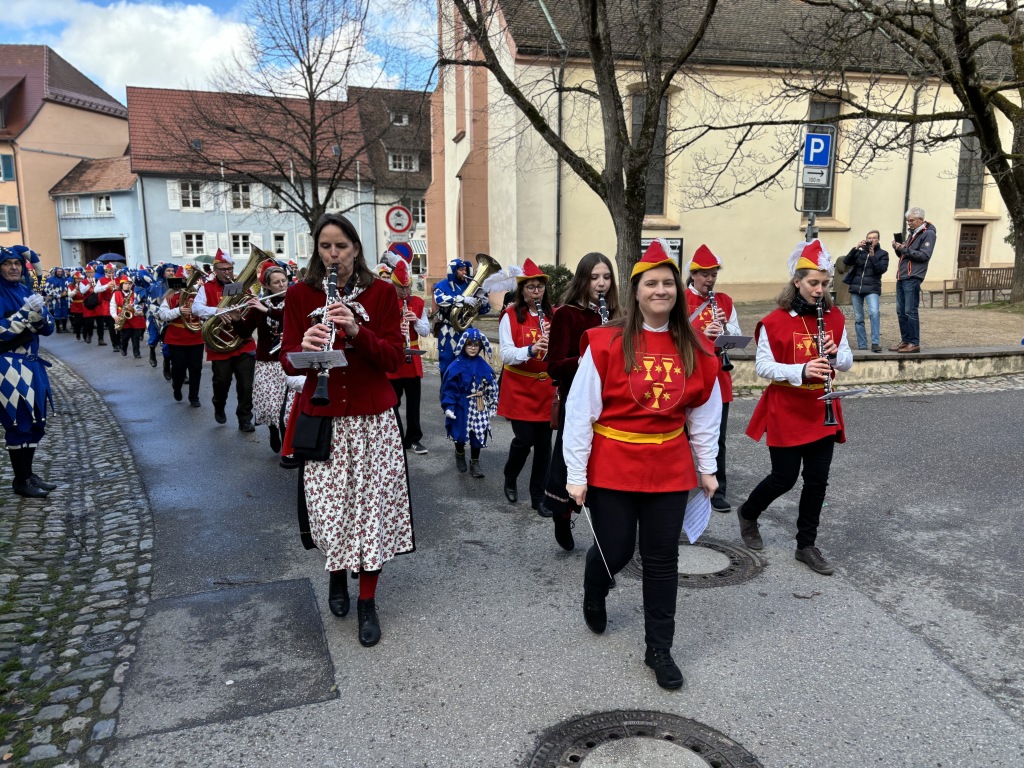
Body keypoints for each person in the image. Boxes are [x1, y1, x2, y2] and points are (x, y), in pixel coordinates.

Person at [563, 239, 722, 690]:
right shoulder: (607, 342)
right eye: (651, 283)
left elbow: (704, 417)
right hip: (613, 462)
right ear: (635, 292)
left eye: (668, 283)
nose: (660, 290)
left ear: (679, 289)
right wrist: (576, 474)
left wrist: (706, 469)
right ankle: (596, 590)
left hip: (668, 465)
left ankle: (660, 649)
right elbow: (581, 411)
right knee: (616, 551)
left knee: (661, 558)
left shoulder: (697, 349)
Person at [280, 212, 413, 648]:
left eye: (341, 246)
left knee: (371, 513)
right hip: (322, 420)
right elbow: (285, 359)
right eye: (325, 246)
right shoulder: (301, 294)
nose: (333, 254)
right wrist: (305, 347)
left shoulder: (381, 294)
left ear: (356, 248)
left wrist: (357, 330)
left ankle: (368, 600)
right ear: (317, 250)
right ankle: (337, 574)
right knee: (330, 513)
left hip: (372, 421)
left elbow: (395, 358)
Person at [737, 239, 853, 577]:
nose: (820, 290)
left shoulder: (834, 316)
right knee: (784, 477)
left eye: (825, 283)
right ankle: (748, 512)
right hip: (787, 405)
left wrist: (834, 356)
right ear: (796, 282)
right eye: (813, 283)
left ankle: (806, 544)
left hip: (822, 407)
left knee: (818, 480)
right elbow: (764, 366)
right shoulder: (774, 321)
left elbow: (846, 361)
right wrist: (800, 370)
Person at [541, 251, 620, 550]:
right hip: (577, 402)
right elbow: (554, 365)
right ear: (583, 279)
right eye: (594, 277)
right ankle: (563, 514)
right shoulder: (567, 314)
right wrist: (588, 358)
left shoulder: (615, 315)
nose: (601, 284)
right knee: (572, 465)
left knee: (604, 470)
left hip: (611, 404)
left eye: (606, 277)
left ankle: (606, 546)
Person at [684, 244, 741, 514]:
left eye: (713, 274)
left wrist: (725, 330)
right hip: (686, 373)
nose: (710, 279)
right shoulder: (679, 298)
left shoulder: (726, 301)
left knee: (717, 437)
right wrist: (701, 331)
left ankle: (718, 489)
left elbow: (737, 334)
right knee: (680, 435)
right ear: (693, 274)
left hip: (717, 374)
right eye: (704, 274)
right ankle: (679, 485)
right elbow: (673, 335)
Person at [497, 259, 555, 512]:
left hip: (545, 389)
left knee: (544, 447)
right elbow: (506, 354)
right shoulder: (509, 316)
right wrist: (531, 349)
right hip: (519, 387)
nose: (536, 292)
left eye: (539, 287)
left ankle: (538, 497)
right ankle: (510, 476)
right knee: (525, 440)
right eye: (530, 287)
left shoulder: (553, 315)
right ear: (521, 290)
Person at [0, 246, 57, 498]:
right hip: (8, 364)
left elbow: (49, 327)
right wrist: (25, 315)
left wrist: (40, 316)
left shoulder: (26, 290)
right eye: (7, 263)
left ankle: (28, 474)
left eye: (17, 263)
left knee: (36, 422)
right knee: (19, 422)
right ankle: (21, 479)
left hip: (33, 364)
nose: (14, 267)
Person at [191, 250, 257, 431]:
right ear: (215, 269)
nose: (227, 272)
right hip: (220, 342)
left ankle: (244, 418)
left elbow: (253, 306)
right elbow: (196, 308)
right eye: (222, 269)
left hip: (243, 341)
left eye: (229, 268)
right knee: (222, 381)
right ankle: (218, 404)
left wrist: (248, 306)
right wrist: (217, 311)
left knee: (245, 385)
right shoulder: (206, 287)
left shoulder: (241, 285)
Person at [441, 328, 498, 477]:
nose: (473, 347)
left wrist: (492, 404)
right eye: (469, 344)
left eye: (476, 344)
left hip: (479, 403)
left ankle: (475, 462)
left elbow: (491, 386)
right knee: (460, 433)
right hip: (461, 404)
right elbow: (449, 389)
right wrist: (449, 406)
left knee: (478, 434)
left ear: (480, 346)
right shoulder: (456, 365)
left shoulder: (483, 365)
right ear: (464, 345)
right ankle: (459, 453)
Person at [387, 259, 431, 455]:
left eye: (407, 288)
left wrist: (414, 323)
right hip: (393, 356)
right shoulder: (385, 303)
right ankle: (394, 438)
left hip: (412, 357)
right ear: (393, 285)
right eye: (400, 288)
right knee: (392, 403)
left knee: (413, 403)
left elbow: (425, 331)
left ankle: (413, 439)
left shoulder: (418, 303)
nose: (404, 292)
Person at [244, 262, 288, 453]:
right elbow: (244, 332)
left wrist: (268, 311)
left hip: (288, 361)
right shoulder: (259, 304)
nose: (282, 285)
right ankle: (272, 430)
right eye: (276, 282)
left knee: (287, 407)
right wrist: (237, 318)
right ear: (267, 286)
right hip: (266, 361)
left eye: (284, 280)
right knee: (270, 405)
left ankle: (287, 442)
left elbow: (292, 320)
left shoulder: (294, 302)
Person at [433, 257, 490, 376]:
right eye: (460, 270)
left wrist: (483, 303)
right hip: (448, 330)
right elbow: (439, 300)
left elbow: (481, 311)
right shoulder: (442, 285)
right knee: (447, 365)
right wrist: (462, 299)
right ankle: (446, 393)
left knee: (467, 365)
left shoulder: (469, 285)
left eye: (465, 270)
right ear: (453, 271)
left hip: (466, 330)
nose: (464, 273)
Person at [890, 207, 936, 353]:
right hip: (902, 276)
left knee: (910, 310)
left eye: (911, 221)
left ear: (921, 220)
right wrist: (898, 248)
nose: (908, 223)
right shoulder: (912, 234)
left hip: (913, 276)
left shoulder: (928, 234)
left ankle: (914, 343)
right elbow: (904, 256)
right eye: (907, 221)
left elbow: (924, 256)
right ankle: (905, 340)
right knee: (901, 311)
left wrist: (904, 249)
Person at [158, 267, 205, 405]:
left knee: (196, 368)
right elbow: (162, 315)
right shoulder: (170, 297)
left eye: (183, 281)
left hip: (195, 336)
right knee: (178, 367)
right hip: (177, 338)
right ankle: (176, 386)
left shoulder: (197, 296)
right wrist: (178, 310)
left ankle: (194, 397)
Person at [843, 230, 889, 352]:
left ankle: (875, 343)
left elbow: (881, 270)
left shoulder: (883, 254)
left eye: (874, 238)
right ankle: (862, 345)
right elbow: (846, 262)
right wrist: (856, 248)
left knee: (874, 313)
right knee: (858, 318)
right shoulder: (860, 252)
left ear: (878, 240)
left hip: (872, 288)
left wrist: (873, 256)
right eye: (869, 238)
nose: (871, 240)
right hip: (856, 288)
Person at [110, 275, 147, 358]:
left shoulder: (135, 293)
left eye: (129, 284)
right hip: (123, 317)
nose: (128, 285)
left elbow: (141, 304)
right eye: (126, 283)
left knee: (136, 336)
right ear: (121, 284)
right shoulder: (116, 293)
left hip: (135, 317)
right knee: (125, 336)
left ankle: (136, 353)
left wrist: (133, 308)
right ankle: (123, 347)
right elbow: (112, 305)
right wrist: (115, 316)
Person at [81, 264, 114, 347]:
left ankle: (101, 339)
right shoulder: (83, 282)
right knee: (90, 322)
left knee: (100, 323)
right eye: (88, 272)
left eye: (92, 272)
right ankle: (89, 334)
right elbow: (82, 292)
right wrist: (89, 285)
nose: (90, 274)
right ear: (86, 273)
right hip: (89, 304)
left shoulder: (98, 280)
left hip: (98, 303)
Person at [44, 268, 70, 334]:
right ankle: (58, 329)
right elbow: (46, 289)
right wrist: (57, 295)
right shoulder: (50, 279)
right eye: (58, 271)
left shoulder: (64, 279)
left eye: (61, 271)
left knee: (65, 313)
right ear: (56, 272)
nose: (60, 273)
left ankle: (64, 328)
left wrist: (66, 292)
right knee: (57, 314)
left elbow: (68, 287)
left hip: (64, 299)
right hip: (55, 300)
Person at [68, 268, 86, 340]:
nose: (79, 280)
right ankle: (78, 333)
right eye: (77, 279)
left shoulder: (84, 285)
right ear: (74, 279)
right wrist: (76, 289)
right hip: (76, 305)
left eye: (80, 279)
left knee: (85, 322)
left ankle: (85, 336)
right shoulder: (71, 286)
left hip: (84, 305)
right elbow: (70, 295)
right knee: (78, 322)